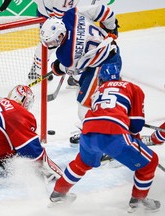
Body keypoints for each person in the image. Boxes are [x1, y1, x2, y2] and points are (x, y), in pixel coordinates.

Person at [49, 63, 160, 212]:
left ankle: (58, 194)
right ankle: (138, 202)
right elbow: (136, 125)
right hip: (113, 133)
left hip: (88, 131)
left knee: (82, 162)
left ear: (100, 80)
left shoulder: (98, 91)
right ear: (120, 77)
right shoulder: (132, 88)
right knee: (150, 162)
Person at [39, 4, 122, 144]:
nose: (51, 44)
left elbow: (72, 69)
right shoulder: (71, 15)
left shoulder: (66, 56)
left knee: (86, 107)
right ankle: (93, 129)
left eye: (52, 40)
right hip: (107, 52)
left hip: (105, 66)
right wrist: (111, 26)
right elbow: (102, 10)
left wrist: (56, 68)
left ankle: (103, 140)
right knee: (89, 95)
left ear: (60, 34)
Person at [28, 0, 80, 82]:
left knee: (49, 43)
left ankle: (37, 70)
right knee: (50, 43)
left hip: (47, 12)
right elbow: (59, 20)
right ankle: (38, 70)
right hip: (51, 17)